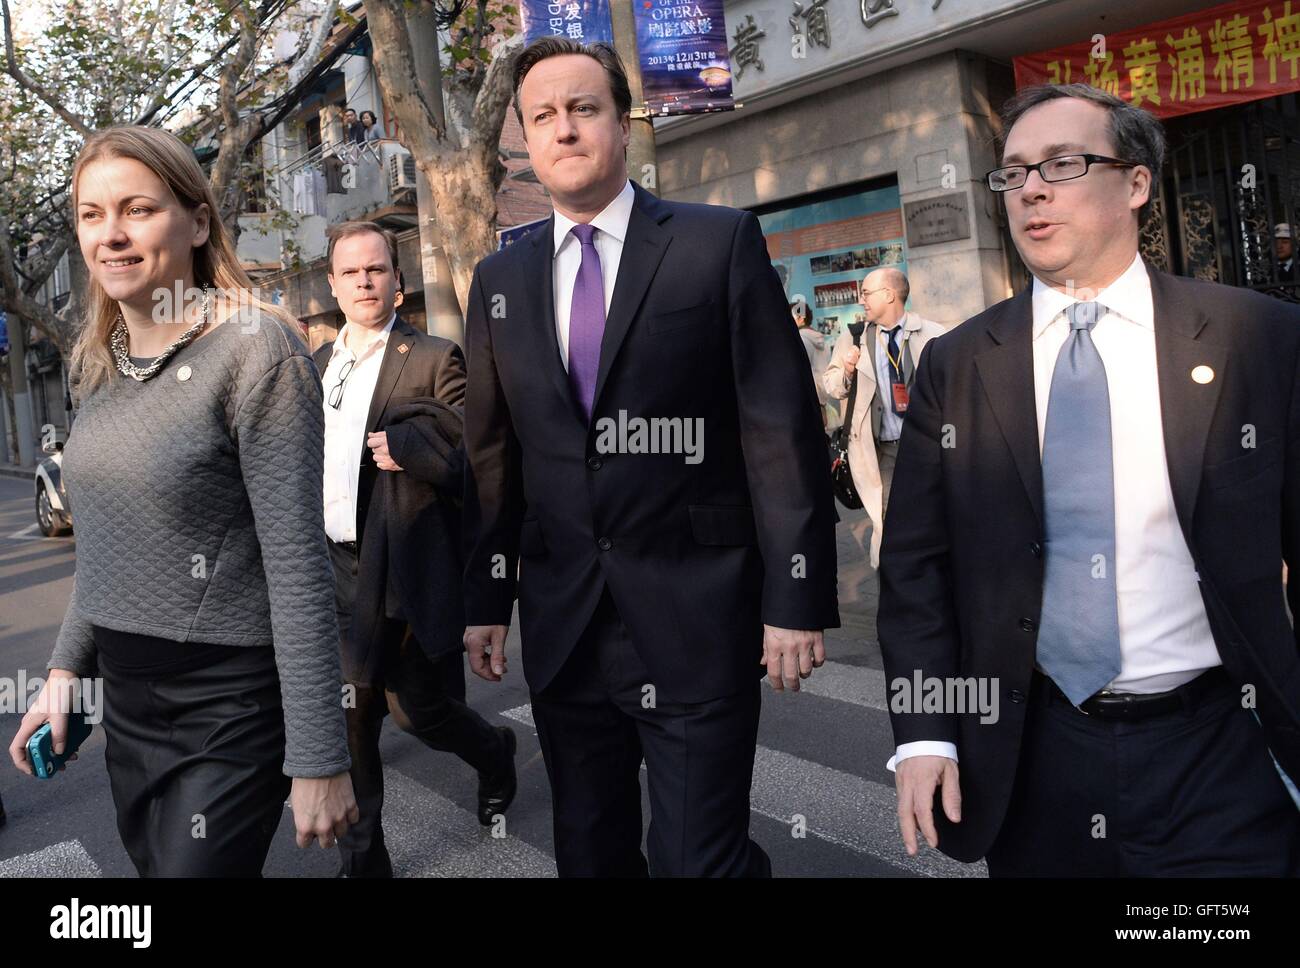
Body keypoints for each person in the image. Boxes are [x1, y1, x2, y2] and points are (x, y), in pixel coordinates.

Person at [880, 83, 1300, 876]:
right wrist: (927, 732)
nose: (1031, 188)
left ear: (1136, 183)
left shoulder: (1257, 338)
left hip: (1217, 750)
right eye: (1012, 173)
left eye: (1063, 164)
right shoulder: (961, 363)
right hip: (1037, 753)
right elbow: (916, 571)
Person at [461, 37, 839, 878]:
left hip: (698, 611)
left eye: (584, 108)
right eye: (543, 116)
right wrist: (486, 597)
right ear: (523, 137)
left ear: (623, 125)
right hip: (566, 625)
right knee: (590, 857)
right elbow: (492, 458)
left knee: (696, 861)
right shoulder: (498, 279)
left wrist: (798, 596)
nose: (564, 130)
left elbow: (778, 429)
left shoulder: (717, 243)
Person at [7, 126, 357, 876]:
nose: (113, 235)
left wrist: (321, 758)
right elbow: (104, 552)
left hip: (230, 705)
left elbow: (298, 569)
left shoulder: (255, 349)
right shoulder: (95, 367)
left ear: (197, 222)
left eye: (138, 209)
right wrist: (64, 676)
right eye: (93, 216)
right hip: (129, 708)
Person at [315, 221, 517, 878]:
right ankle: (366, 863)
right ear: (334, 284)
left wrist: (411, 451)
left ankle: (494, 753)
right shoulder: (316, 367)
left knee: (418, 713)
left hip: (399, 564)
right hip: (333, 568)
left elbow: (475, 460)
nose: (366, 282)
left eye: (377, 270)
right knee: (354, 712)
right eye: (353, 272)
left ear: (397, 283)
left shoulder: (433, 357)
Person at [823, 267, 945, 568]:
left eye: (866, 293)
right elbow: (831, 385)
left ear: (889, 295)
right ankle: (899, 579)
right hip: (883, 451)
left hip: (929, 446)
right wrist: (848, 373)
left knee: (937, 513)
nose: (861, 299)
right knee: (890, 520)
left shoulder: (933, 334)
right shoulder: (853, 338)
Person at [792, 299, 833, 429]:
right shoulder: (823, 341)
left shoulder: (800, 339)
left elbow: (800, 374)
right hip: (822, 401)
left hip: (808, 403)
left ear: (800, 317)